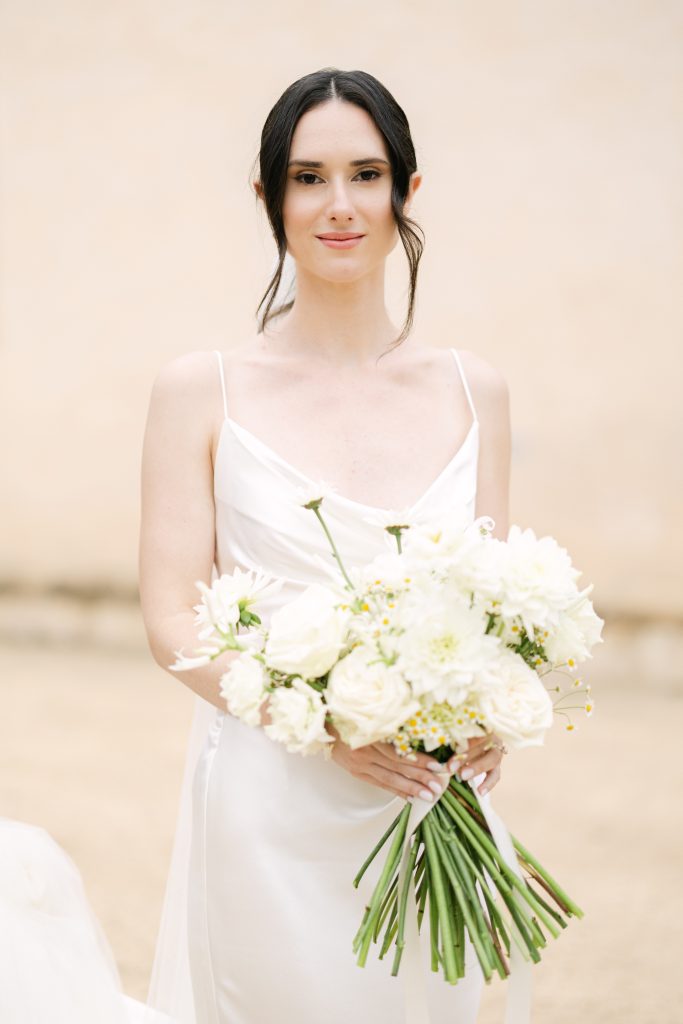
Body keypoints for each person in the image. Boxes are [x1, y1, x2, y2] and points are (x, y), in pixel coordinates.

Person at [138, 67, 510, 1024]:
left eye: (365, 174)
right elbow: (172, 616)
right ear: (267, 198)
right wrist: (327, 723)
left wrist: (490, 714)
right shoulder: (201, 388)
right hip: (270, 803)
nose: (338, 205)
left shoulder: (475, 390)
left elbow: (495, 603)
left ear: (406, 193)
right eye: (306, 178)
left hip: (428, 801)